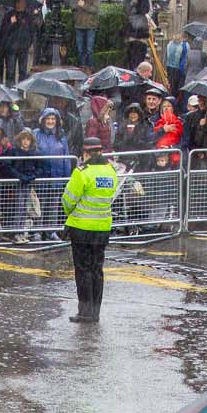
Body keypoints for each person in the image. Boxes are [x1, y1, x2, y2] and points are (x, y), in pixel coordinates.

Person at [60, 135, 118, 322]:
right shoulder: (110, 171)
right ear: (100, 151)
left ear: (85, 153)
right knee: (97, 270)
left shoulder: (81, 172)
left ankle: (85, 312)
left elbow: (68, 200)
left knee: (83, 271)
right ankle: (95, 312)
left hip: (81, 228)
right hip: (102, 228)